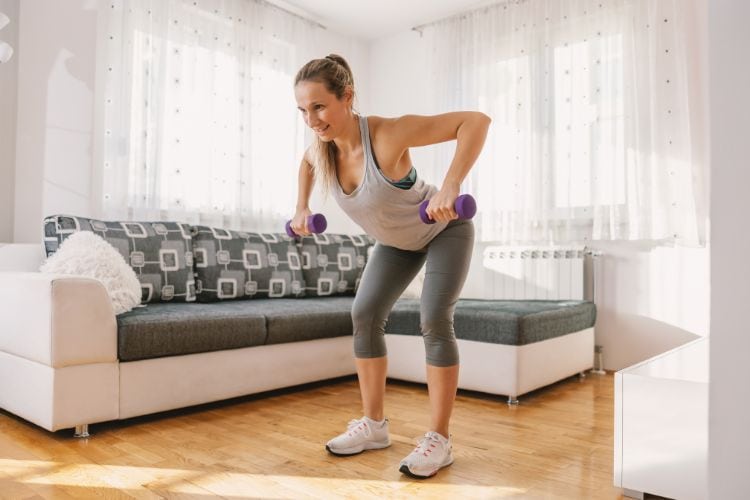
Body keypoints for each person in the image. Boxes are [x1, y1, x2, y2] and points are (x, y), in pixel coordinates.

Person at [291, 54, 490, 479]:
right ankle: (374, 427)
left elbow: (475, 121)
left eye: (320, 106)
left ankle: (439, 439)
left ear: (347, 97)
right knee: (363, 314)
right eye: (304, 110)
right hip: (397, 243)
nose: (312, 119)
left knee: (434, 317)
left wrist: (451, 185)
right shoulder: (323, 150)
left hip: (444, 230)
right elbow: (307, 163)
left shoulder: (387, 134)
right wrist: (301, 207)